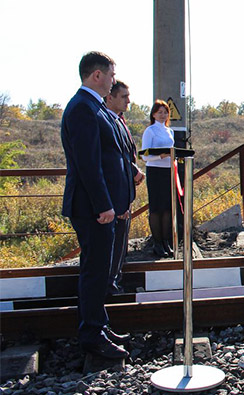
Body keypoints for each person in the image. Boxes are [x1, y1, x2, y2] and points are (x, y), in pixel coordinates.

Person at [60, 51, 130, 359]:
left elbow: (109, 156)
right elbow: (88, 164)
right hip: (92, 209)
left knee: (100, 270)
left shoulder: (94, 107)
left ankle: (99, 325)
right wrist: (104, 205)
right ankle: (91, 333)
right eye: (112, 75)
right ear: (97, 76)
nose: (114, 81)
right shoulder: (83, 109)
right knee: (94, 271)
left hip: (101, 207)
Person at [104, 80, 145, 294]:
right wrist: (132, 171)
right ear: (110, 98)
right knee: (111, 244)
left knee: (120, 243)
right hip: (113, 195)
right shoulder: (105, 122)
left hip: (123, 192)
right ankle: (108, 286)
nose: (129, 100)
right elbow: (112, 157)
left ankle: (114, 280)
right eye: (124, 96)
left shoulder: (119, 121)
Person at [141, 99, 176, 257]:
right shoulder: (150, 131)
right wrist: (159, 156)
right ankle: (157, 242)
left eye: (165, 112)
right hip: (155, 171)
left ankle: (165, 241)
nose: (163, 115)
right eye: (159, 112)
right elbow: (145, 156)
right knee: (156, 208)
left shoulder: (170, 131)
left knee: (167, 208)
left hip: (168, 170)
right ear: (154, 114)